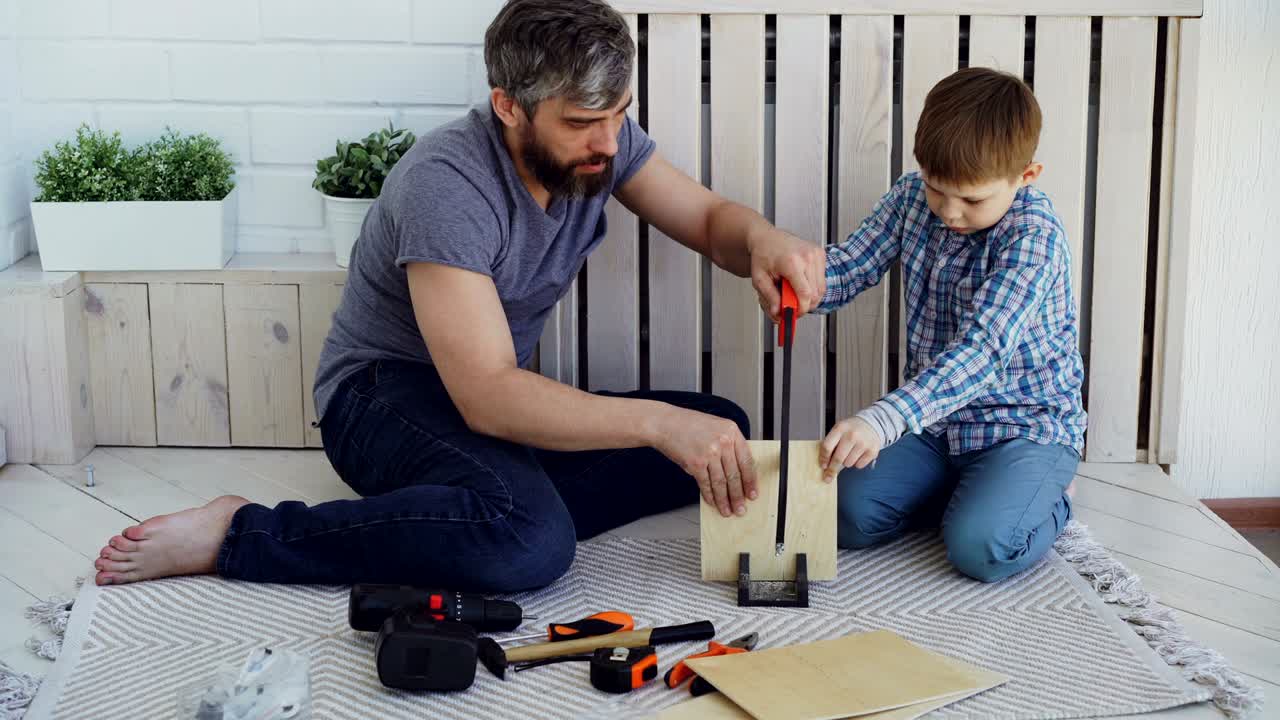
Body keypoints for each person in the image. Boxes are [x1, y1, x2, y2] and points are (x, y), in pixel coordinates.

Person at [91, 0, 826, 590]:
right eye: (580, 123)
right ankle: (242, 532)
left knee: (722, 427)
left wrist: (761, 240)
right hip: (382, 398)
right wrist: (657, 423)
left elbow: (704, 219)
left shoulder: (604, 139)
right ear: (509, 106)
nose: (607, 141)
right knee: (531, 545)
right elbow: (489, 398)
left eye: (617, 114)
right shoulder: (447, 184)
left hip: (484, 395)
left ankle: (474, 512)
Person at [810, 67, 1087, 583]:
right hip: (937, 424)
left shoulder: (1034, 239)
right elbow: (852, 264)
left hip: (1022, 428)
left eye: (972, 199)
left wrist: (881, 419)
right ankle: (963, 494)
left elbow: (981, 353)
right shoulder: (913, 197)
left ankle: (1053, 496)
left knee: (980, 550)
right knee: (844, 516)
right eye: (938, 190)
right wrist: (801, 282)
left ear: (1025, 176)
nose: (949, 212)